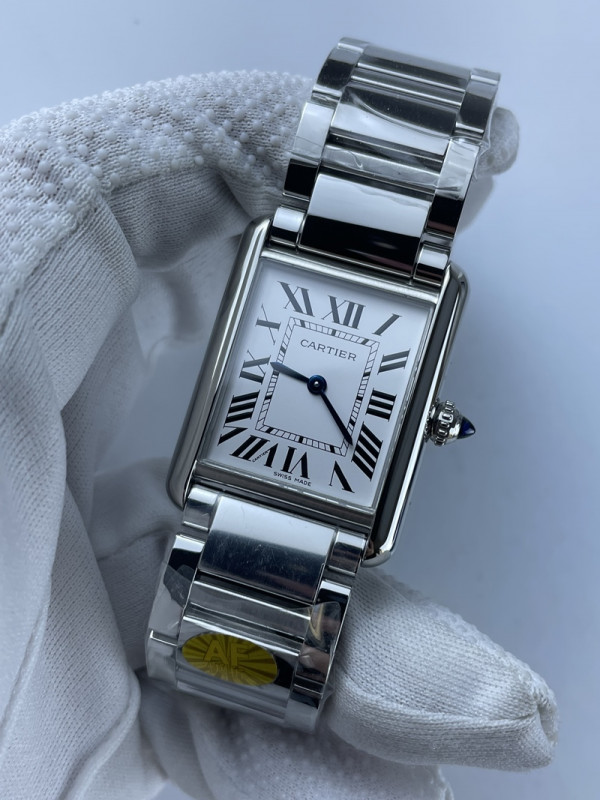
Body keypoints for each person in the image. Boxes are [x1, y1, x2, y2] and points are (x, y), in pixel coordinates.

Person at [0, 67, 556, 800]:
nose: (321, 385)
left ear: (428, 420)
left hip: (294, 525)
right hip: (242, 503)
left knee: (249, 670)